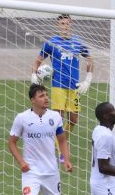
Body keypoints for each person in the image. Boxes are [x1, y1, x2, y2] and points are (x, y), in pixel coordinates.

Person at [8, 84, 73, 195]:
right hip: (31, 171)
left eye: (46, 95)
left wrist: (66, 159)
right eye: (41, 96)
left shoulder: (55, 117)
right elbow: (12, 142)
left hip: (51, 170)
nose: (46, 98)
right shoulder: (22, 118)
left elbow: (62, 140)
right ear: (33, 100)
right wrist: (21, 161)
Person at [31, 14, 93, 160]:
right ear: (57, 25)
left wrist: (88, 80)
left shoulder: (78, 42)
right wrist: (34, 75)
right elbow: (38, 60)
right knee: (58, 118)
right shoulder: (52, 43)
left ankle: (59, 142)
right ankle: (60, 150)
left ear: (71, 25)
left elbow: (90, 60)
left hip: (74, 86)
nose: (65, 26)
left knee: (74, 119)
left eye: (67, 23)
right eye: (62, 24)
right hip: (58, 85)